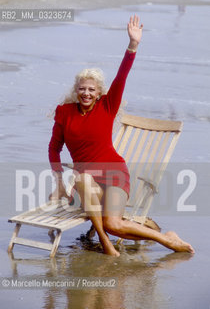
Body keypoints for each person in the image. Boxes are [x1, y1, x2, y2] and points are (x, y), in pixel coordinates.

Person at [49, 15, 194, 257]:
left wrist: (133, 44)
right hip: (87, 184)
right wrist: (60, 184)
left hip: (114, 172)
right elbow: (54, 148)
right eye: (82, 89)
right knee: (83, 179)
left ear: (99, 93)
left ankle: (167, 239)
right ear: (76, 90)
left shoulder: (108, 105)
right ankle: (106, 243)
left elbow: (122, 75)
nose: (86, 93)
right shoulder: (64, 113)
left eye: (91, 90)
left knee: (114, 223)